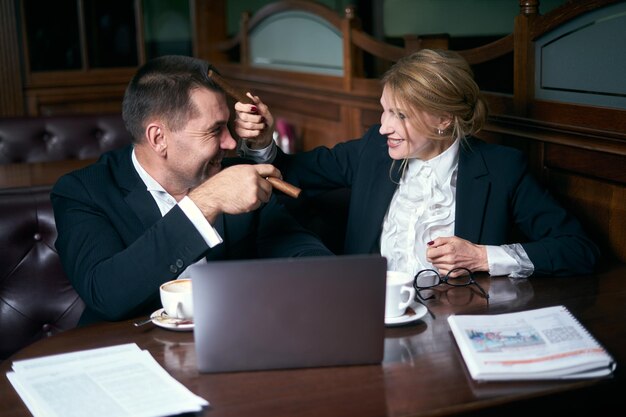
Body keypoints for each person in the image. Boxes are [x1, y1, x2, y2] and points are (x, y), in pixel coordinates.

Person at [237, 49, 599, 279]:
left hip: (458, 325)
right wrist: (262, 140)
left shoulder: (503, 169)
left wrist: (481, 257)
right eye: (384, 109)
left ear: (443, 119)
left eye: (400, 115)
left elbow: (578, 249)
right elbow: (292, 171)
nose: (384, 126)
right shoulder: (373, 150)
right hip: (368, 316)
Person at [51, 55, 332, 325]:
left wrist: (329, 281)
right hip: (130, 356)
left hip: (235, 345)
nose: (231, 143)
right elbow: (106, 294)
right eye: (215, 130)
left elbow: (298, 248)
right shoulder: (82, 192)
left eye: (228, 127)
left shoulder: (234, 177)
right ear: (158, 138)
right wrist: (205, 203)